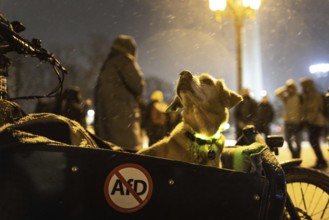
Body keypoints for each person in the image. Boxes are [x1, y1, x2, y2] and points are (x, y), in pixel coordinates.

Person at [94, 35, 145, 152]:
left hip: (106, 121)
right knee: (129, 156)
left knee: (111, 155)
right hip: (123, 120)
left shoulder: (107, 65)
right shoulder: (124, 61)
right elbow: (138, 85)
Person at [300, 77, 327, 169]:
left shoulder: (315, 94)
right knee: (313, 141)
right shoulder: (307, 95)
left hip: (317, 122)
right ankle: (320, 160)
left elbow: (316, 109)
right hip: (312, 122)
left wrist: (309, 120)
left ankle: (321, 161)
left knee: (314, 141)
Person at [275, 79, 302, 158]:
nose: (290, 89)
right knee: (288, 140)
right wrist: (285, 88)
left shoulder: (299, 97)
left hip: (297, 122)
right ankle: (294, 155)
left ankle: (297, 156)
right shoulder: (286, 98)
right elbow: (277, 93)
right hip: (287, 122)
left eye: (291, 87)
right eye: (289, 88)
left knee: (298, 141)